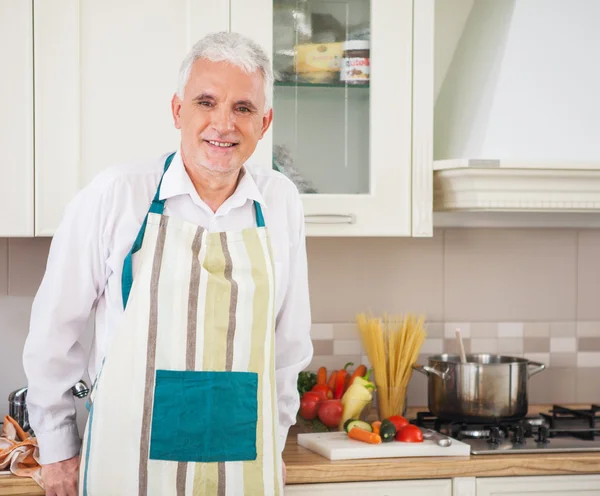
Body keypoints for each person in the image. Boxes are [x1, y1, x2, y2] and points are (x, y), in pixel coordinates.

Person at [22, 31, 313, 496]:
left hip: (242, 466)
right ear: (178, 111)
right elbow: (54, 331)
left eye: (243, 108)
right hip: (125, 466)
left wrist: (272, 443)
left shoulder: (280, 202)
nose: (224, 124)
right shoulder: (118, 194)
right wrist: (57, 448)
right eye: (206, 102)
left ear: (265, 121)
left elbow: (289, 346)